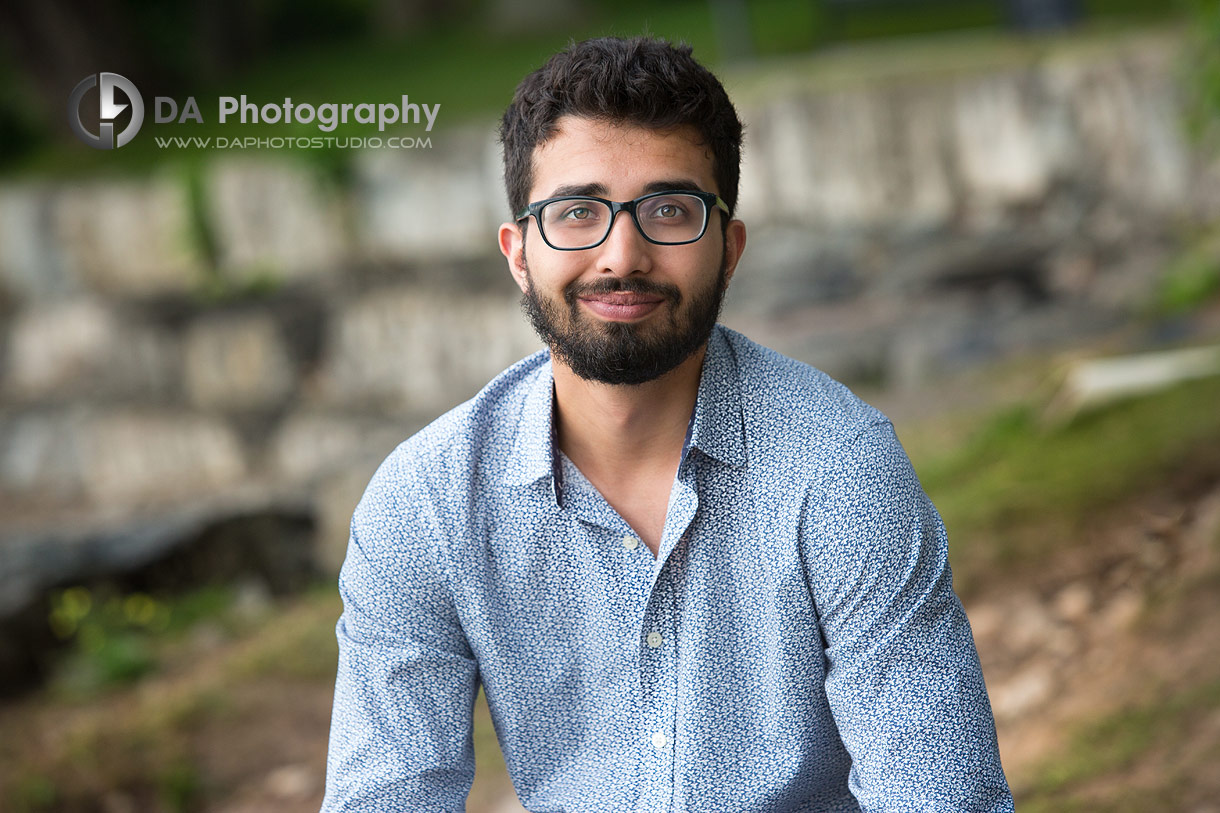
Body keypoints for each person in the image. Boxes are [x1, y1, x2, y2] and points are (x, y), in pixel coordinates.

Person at [321, 36, 1013, 812]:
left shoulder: (839, 469)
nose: (623, 255)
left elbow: (940, 795)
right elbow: (384, 795)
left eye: (670, 210)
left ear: (729, 249)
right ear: (519, 253)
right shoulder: (425, 503)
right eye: (577, 211)